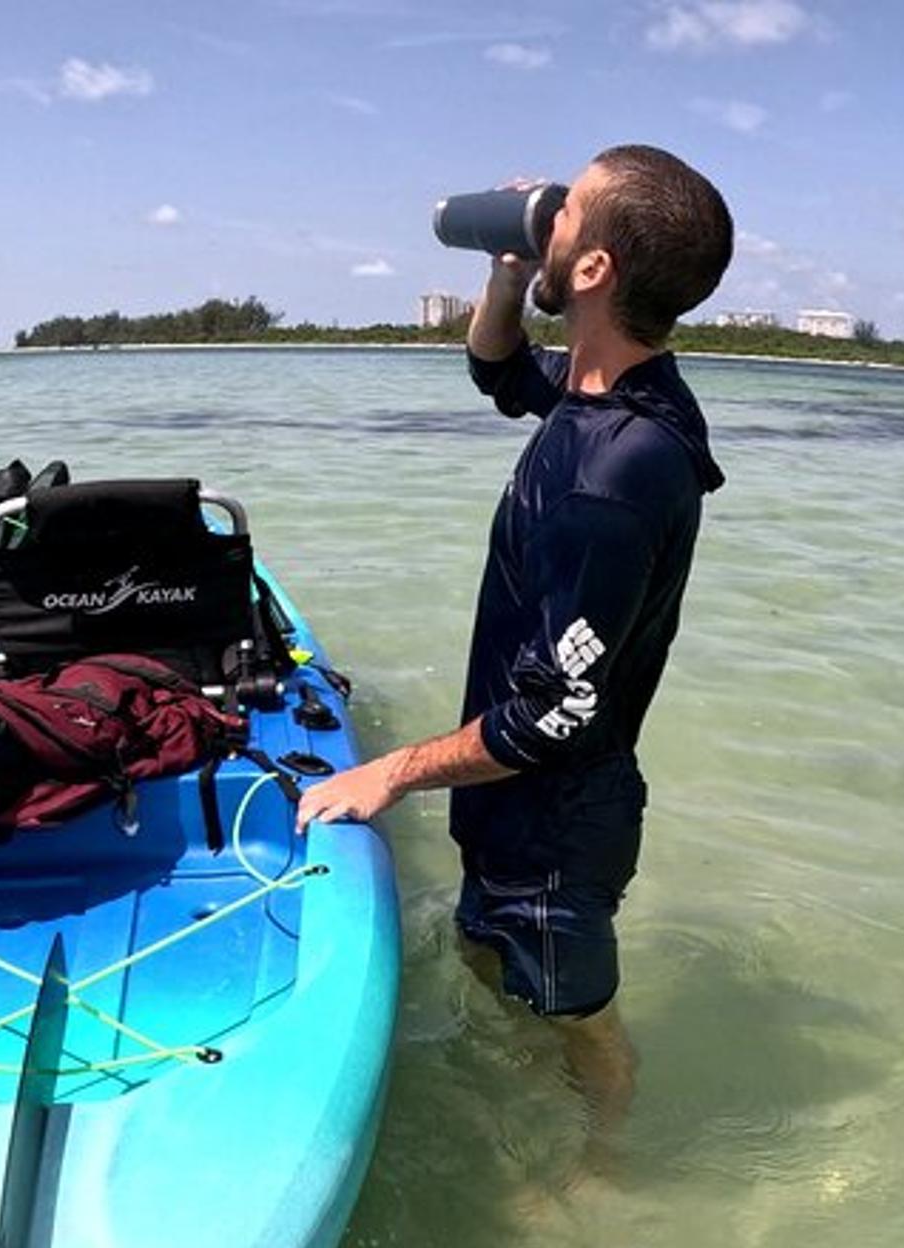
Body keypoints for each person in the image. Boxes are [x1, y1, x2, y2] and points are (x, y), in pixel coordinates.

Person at [297, 145, 733, 1147]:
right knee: (488, 967)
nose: (543, 212)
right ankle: (511, 1120)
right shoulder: (598, 392)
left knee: (582, 1024)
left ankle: (599, 1171)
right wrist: (507, 263)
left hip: (556, 817)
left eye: (564, 209)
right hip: (509, 795)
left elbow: (549, 715)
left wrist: (392, 774)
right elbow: (495, 368)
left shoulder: (614, 472)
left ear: (594, 272)